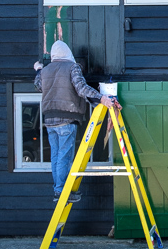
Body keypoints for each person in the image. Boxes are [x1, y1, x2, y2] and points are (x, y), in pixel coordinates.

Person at [34, 41, 121, 203]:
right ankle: (62, 192)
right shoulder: (72, 68)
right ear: (67, 52)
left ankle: (58, 189)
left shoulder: (45, 71)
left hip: (49, 120)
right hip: (66, 118)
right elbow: (81, 88)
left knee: (56, 155)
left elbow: (38, 85)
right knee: (64, 156)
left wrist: (38, 69)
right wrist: (101, 98)